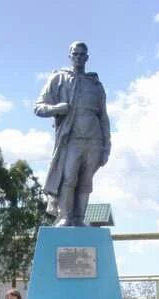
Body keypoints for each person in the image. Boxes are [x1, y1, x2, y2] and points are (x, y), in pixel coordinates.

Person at [35, 41, 111, 226]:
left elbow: (104, 117)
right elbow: (38, 107)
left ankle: (79, 218)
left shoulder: (95, 85)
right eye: (75, 54)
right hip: (71, 140)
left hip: (94, 140)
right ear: (70, 56)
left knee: (86, 180)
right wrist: (57, 108)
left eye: (82, 54)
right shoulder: (58, 78)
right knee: (69, 177)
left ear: (87, 58)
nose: (78, 57)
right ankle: (65, 216)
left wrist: (106, 145)